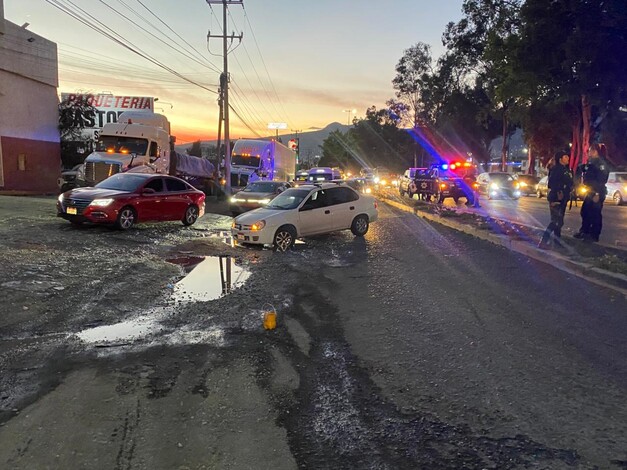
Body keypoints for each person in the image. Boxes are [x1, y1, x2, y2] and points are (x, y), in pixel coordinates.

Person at [574, 143, 610, 242]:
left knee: (595, 214)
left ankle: (594, 235)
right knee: (585, 211)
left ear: (595, 151)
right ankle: (584, 231)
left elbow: (601, 180)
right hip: (590, 191)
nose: (588, 153)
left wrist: (597, 193)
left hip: (596, 192)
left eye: (590, 150)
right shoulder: (593, 163)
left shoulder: (601, 164)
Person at [538, 151, 573, 249]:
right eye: (565, 156)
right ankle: (544, 240)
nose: (568, 158)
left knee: (560, 221)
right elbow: (552, 184)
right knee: (555, 221)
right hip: (556, 198)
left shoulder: (566, 169)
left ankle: (557, 241)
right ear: (560, 159)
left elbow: (569, 182)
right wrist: (558, 193)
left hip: (564, 198)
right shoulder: (556, 170)